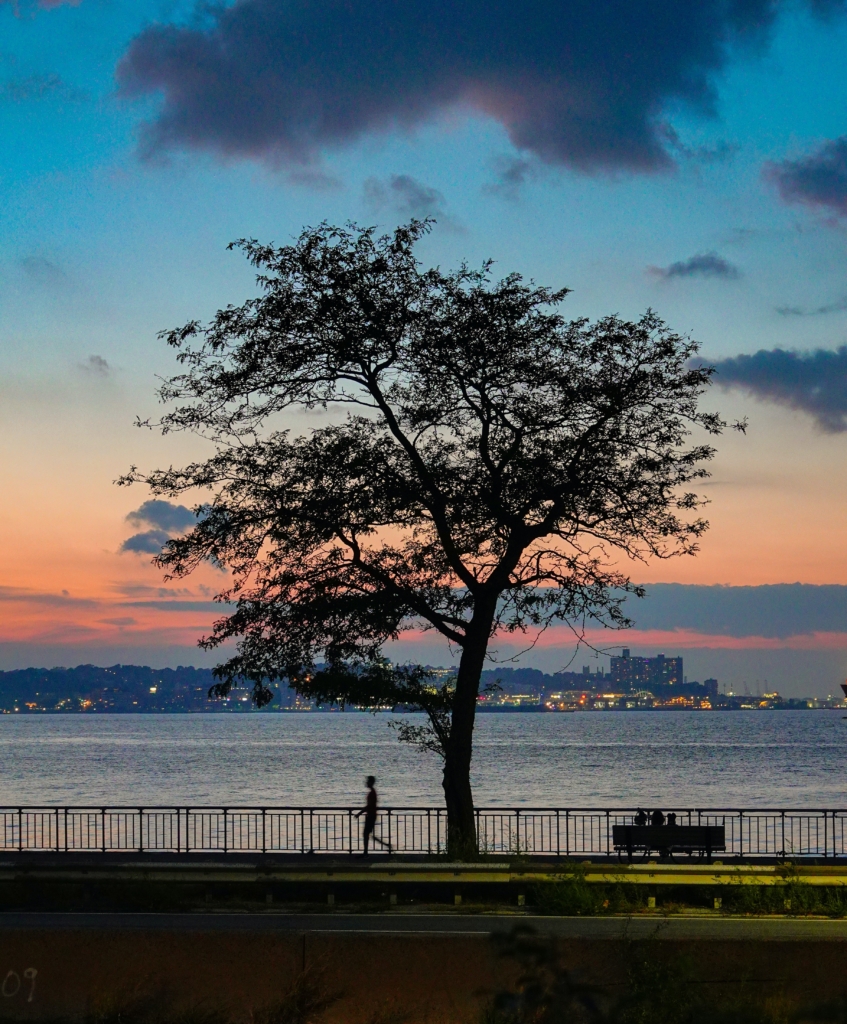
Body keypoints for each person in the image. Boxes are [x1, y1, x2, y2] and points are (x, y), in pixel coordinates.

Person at [357, 776, 392, 855]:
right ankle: (367, 852)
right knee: (368, 834)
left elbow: (369, 806)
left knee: (366, 834)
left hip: (371, 816)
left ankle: (366, 853)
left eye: (367, 781)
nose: (366, 783)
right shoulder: (372, 792)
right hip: (371, 815)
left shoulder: (372, 793)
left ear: (371, 782)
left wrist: (359, 813)